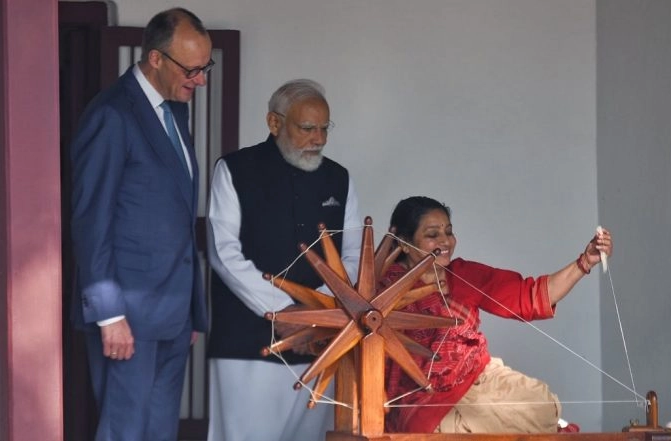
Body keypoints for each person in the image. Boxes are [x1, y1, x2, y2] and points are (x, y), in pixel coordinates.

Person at [69, 8, 211, 441]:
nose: (201, 80)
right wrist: (108, 312)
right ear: (155, 59)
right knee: (124, 432)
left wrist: (189, 308)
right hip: (126, 316)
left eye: (206, 67)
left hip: (171, 314)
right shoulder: (112, 115)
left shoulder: (174, 112)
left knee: (158, 432)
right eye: (192, 69)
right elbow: (91, 219)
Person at [206, 79, 362, 441]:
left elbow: (352, 255)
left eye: (325, 128)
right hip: (247, 342)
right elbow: (223, 252)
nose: (318, 138)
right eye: (307, 128)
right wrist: (284, 312)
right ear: (274, 123)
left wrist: (315, 311)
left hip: (319, 341)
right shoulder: (234, 169)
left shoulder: (339, 179)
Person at [379, 196, 613, 434]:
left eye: (448, 232)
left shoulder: (463, 275)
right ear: (405, 243)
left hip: (478, 377)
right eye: (432, 235)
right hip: (423, 398)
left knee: (543, 405)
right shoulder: (381, 292)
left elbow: (528, 297)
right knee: (438, 430)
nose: (445, 241)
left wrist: (586, 261)